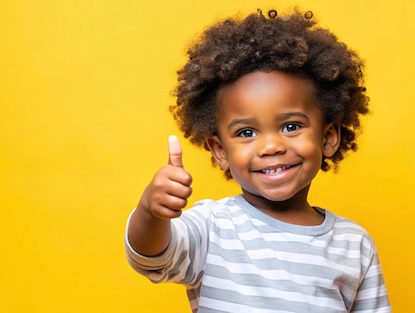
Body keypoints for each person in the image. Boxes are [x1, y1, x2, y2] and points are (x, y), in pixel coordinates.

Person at [125, 8, 391, 313]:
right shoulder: (212, 227)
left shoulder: (353, 245)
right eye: (247, 132)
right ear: (220, 151)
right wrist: (150, 212)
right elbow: (151, 257)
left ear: (328, 137)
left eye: (291, 126)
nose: (270, 146)